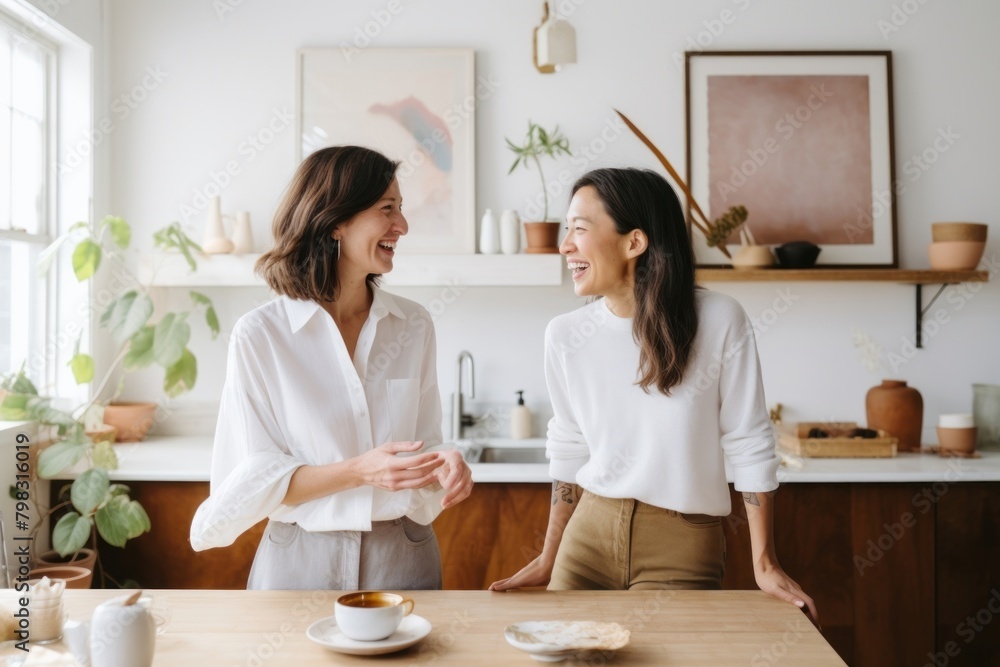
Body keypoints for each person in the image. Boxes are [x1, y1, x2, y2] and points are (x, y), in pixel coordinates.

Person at [489, 168, 819, 626]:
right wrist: (551, 553)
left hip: (681, 542)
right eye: (566, 230)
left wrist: (764, 561)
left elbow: (748, 440)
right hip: (588, 534)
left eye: (579, 229)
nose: (565, 245)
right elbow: (568, 445)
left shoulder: (721, 320)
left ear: (633, 242)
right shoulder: (565, 335)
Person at [190, 145, 473, 590]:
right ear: (336, 220)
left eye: (400, 209)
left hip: (402, 555)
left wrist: (446, 460)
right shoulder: (261, 336)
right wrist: (361, 471)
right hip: (299, 559)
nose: (402, 225)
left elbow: (425, 442)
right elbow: (256, 480)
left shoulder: (414, 324)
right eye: (387, 209)